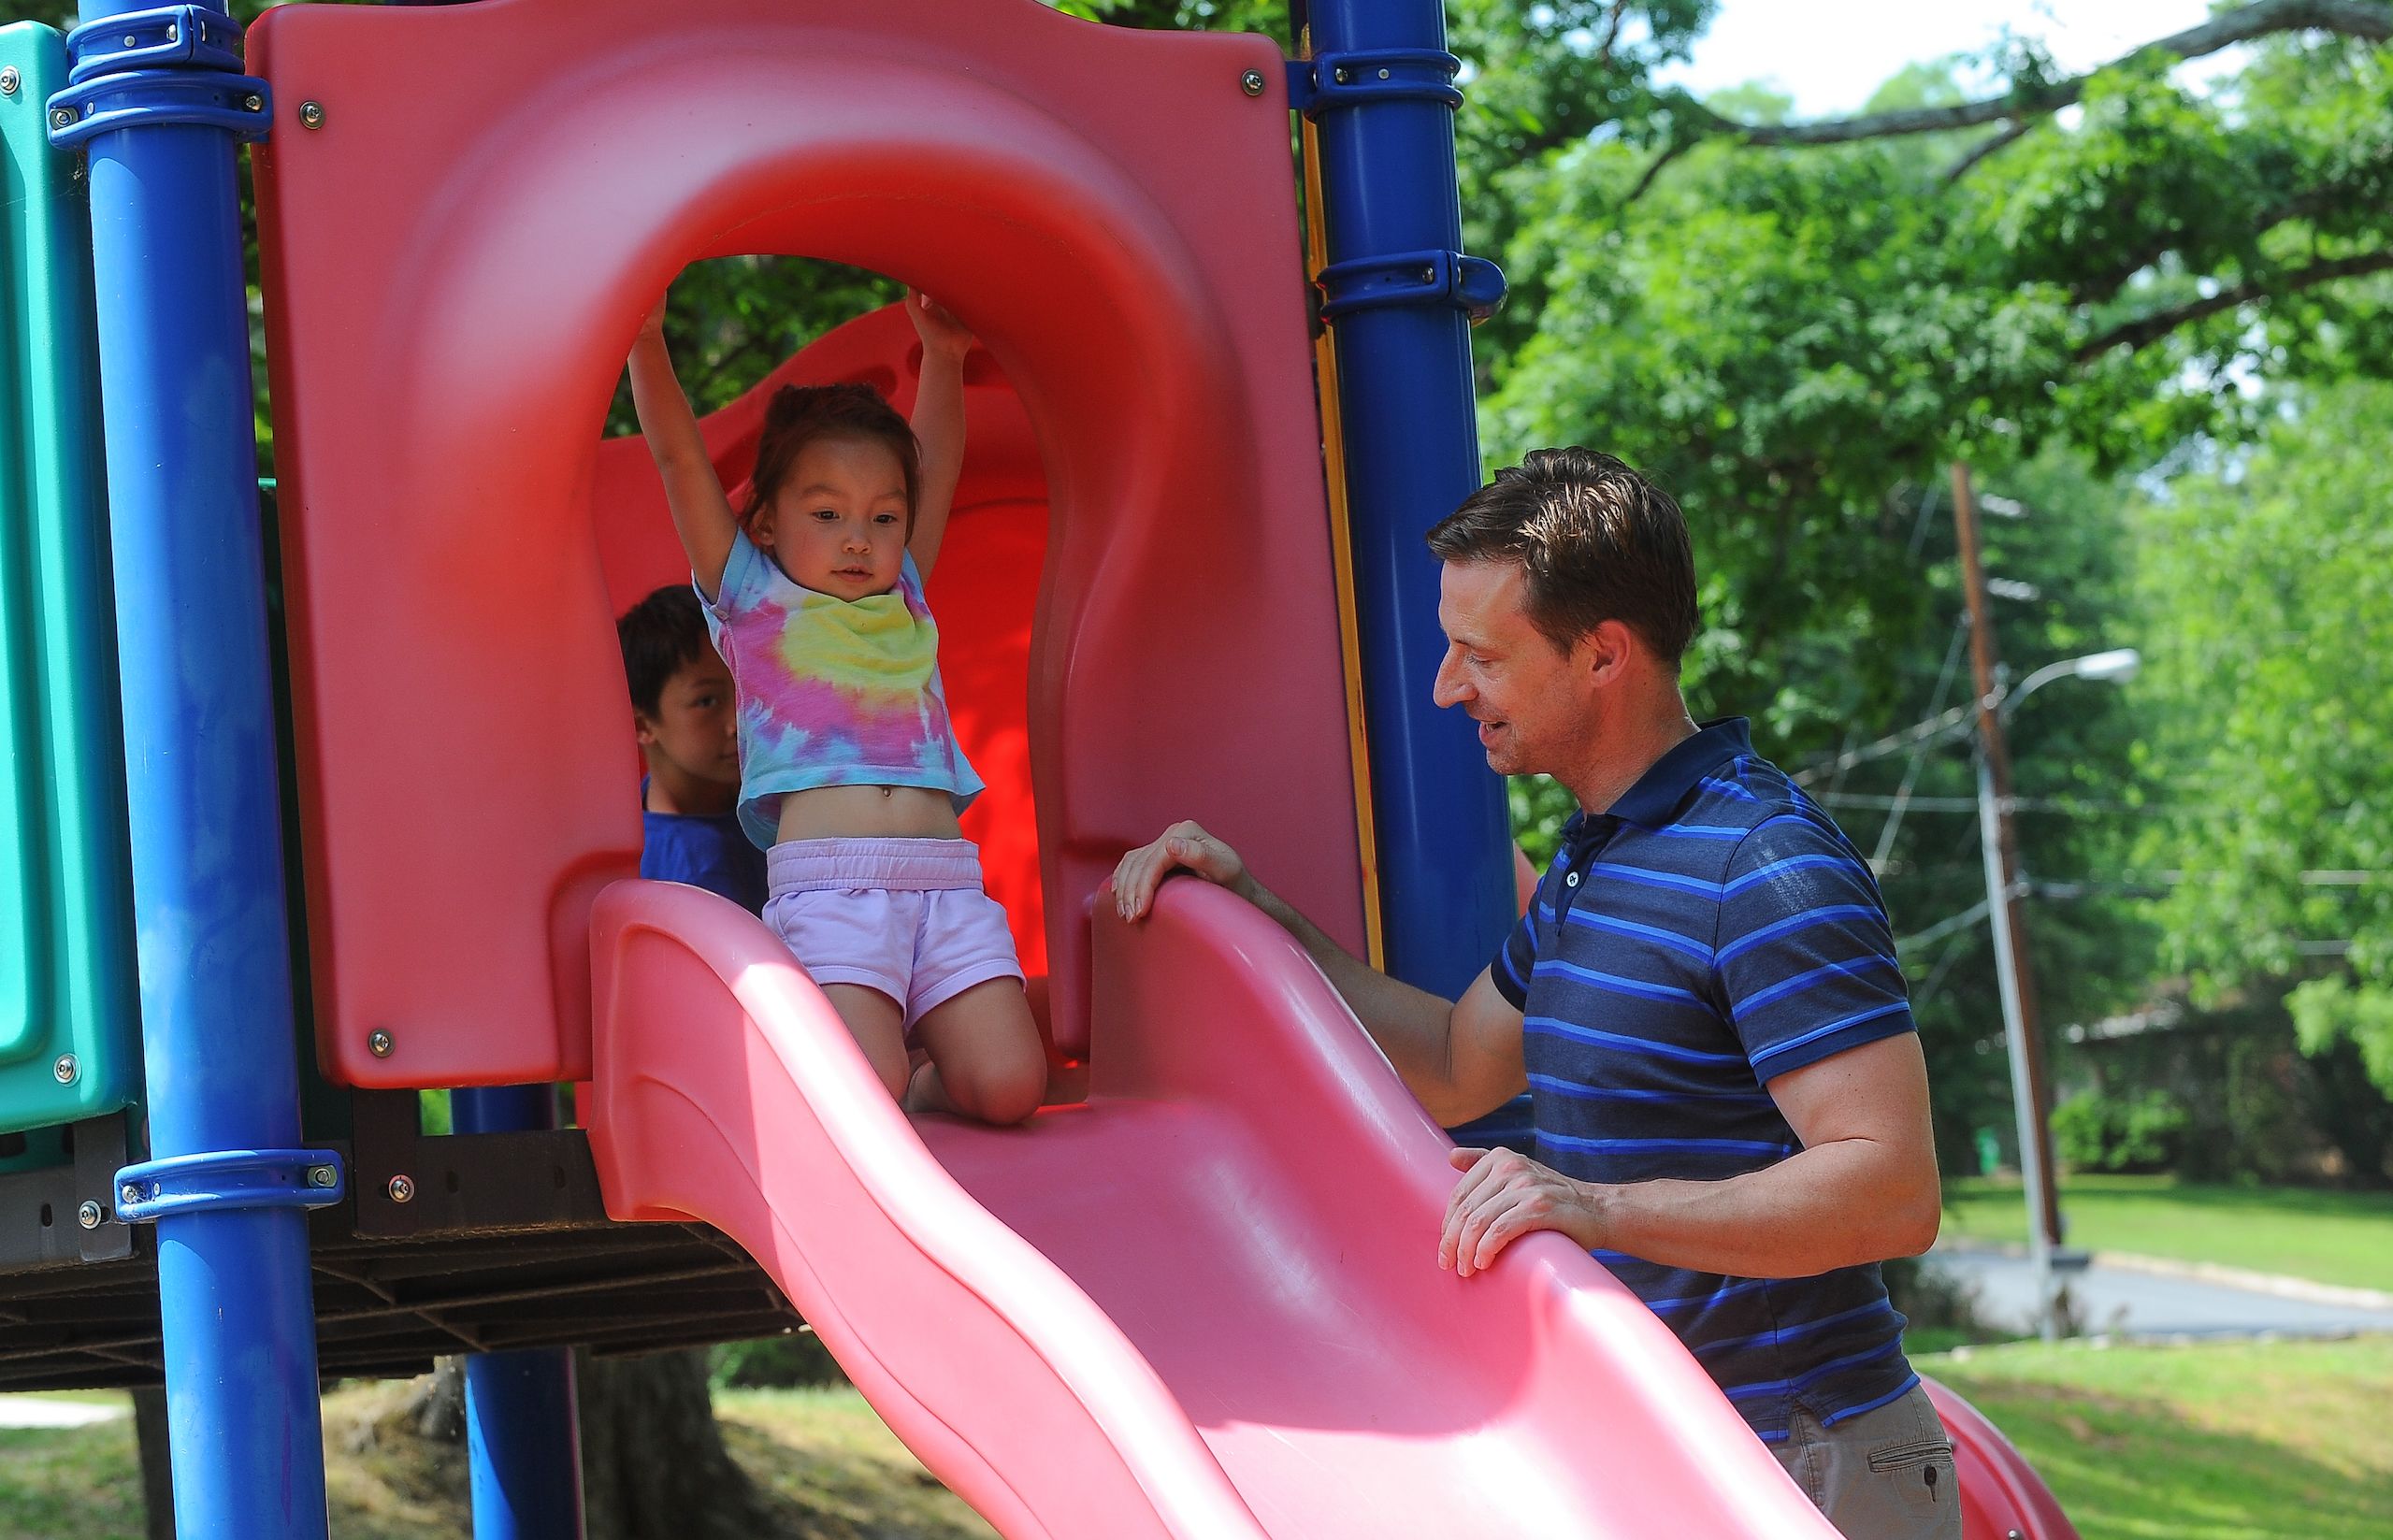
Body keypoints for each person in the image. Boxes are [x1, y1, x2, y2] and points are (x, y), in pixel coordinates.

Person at [1112, 448, 1958, 1539]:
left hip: (1808, 1455)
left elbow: (1892, 1190)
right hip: (1660, 1439)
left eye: (1482, 656)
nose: (1446, 687)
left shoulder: (1764, 863)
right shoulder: (1596, 854)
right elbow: (1460, 1067)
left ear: (1604, 655)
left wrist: (1596, 1209)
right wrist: (1261, 916)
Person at [626, 287, 1045, 1126]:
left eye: (882, 516)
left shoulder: (903, 589)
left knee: (1011, 1089)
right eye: (827, 513)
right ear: (768, 523)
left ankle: (936, 1083)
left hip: (948, 886)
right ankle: (884, 1075)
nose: (859, 537)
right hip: (831, 893)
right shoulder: (751, 598)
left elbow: (939, 463)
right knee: (861, 1089)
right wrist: (643, 342)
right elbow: (678, 461)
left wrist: (943, 357)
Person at [617, 583, 768, 913]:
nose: (738, 721)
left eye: (746, 689)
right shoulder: (660, 867)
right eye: (707, 701)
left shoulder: (773, 803)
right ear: (642, 725)